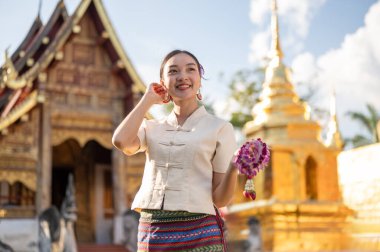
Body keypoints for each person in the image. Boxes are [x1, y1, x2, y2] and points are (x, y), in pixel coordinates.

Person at [112, 50, 238, 251]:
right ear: (162, 81)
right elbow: (121, 141)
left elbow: (221, 199)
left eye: (190, 69)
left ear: (200, 80)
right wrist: (147, 100)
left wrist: (234, 167)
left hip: (199, 232)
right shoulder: (152, 127)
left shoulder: (220, 128)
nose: (182, 76)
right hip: (153, 233)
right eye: (173, 71)